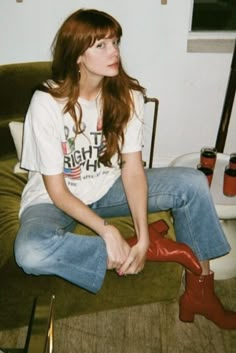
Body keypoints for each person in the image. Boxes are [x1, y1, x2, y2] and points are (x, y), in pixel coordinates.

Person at [14, 8, 236, 329]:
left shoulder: (128, 96)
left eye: (115, 42)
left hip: (106, 188)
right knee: (31, 253)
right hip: (53, 199)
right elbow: (57, 190)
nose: (114, 51)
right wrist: (108, 232)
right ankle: (133, 250)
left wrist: (144, 235)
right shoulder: (47, 102)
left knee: (192, 183)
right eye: (101, 45)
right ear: (77, 55)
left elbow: (133, 170)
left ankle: (201, 293)